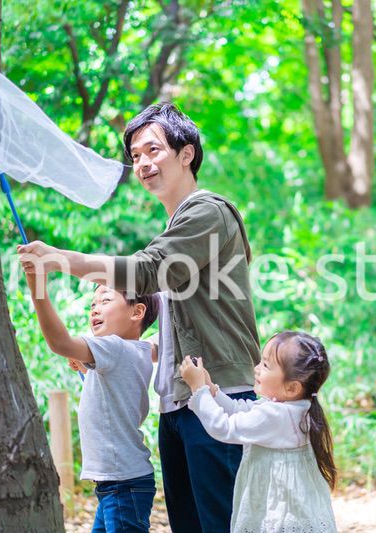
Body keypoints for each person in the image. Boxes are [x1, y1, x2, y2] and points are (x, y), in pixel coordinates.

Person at [18, 103, 260, 532]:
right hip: (179, 405)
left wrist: (61, 259)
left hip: (221, 396)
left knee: (222, 524)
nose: (143, 163)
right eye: (135, 156)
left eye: (153, 150)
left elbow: (146, 271)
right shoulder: (173, 227)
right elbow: (163, 317)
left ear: (186, 153)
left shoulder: (208, 212)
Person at [21, 268, 159, 533]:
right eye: (92, 304)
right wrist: (86, 368)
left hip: (122, 482)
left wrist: (37, 288)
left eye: (106, 301)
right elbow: (116, 390)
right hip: (120, 481)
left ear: (137, 312)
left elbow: (59, 342)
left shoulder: (115, 347)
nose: (95, 309)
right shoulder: (139, 350)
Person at [179, 331, 338, 533]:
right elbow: (240, 411)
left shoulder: (276, 415)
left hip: (279, 510)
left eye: (265, 365)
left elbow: (224, 428)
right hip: (293, 508)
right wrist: (211, 390)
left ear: (292, 388)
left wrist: (198, 390)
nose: (256, 369)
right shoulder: (298, 408)